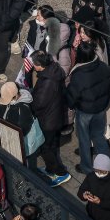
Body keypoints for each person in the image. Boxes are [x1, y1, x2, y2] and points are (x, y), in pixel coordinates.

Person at [67, 42, 110, 174]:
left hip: (85, 110)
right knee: (99, 136)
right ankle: (106, 166)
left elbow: (72, 95)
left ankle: (86, 167)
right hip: (100, 108)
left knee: (84, 139)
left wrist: (70, 105)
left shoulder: (78, 74)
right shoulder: (103, 67)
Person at [29, 50, 70, 185]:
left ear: (40, 65)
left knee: (45, 147)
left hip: (48, 120)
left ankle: (60, 173)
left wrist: (30, 103)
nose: (33, 66)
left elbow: (39, 103)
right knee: (51, 144)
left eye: (34, 64)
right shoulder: (53, 71)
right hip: (55, 115)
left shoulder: (47, 81)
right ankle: (50, 168)